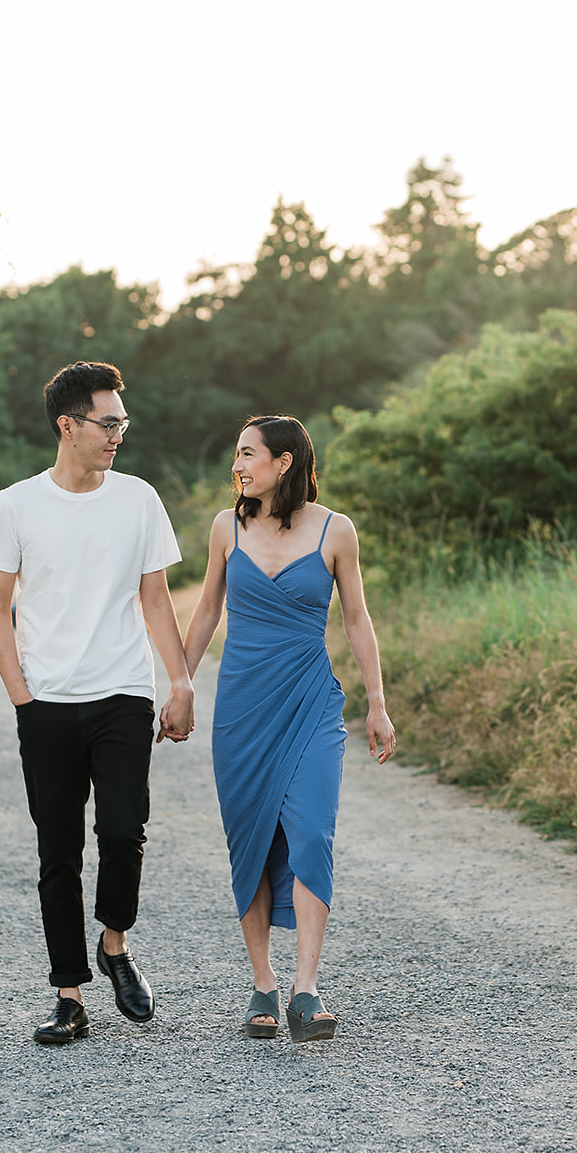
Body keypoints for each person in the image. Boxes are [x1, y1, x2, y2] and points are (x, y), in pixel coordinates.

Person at [0, 360, 195, 1045]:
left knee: (124, 829)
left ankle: (115, 943)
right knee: (57, 851)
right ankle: (69, 996)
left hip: (123, 693)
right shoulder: (15, 504)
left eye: (122, 422)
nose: (118, 435)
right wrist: (22, 697)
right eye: (107, 423)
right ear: (67, 425)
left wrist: (180, 680)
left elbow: (154, 597)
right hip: (47, 701)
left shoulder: (137, 499)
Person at [179, 414, 394, 1043]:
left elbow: (357, 617)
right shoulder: (227, 527)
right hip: (243, 707)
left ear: (284, 463)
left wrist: (376, 703)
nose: (238, 467)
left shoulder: (336, 531)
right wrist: (182, 686)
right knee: (249, 837)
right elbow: (206, 610)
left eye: (248, 455)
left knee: (309, 833)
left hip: (311, 704)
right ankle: (263, 986)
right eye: (237, 456)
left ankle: (306, 989)